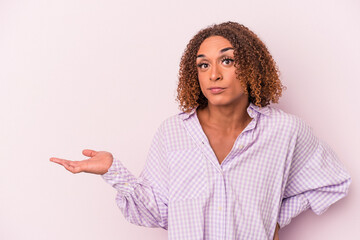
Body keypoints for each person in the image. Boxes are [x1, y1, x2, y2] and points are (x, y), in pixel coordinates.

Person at [50, 21, 351, 240]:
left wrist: (274, 219)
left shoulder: (285, 131)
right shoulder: (173, 133)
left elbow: (333, 181)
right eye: (203, 65)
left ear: (251, 67)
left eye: (227, 60)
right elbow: (161, 214)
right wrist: (113, 171)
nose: (214, 74)